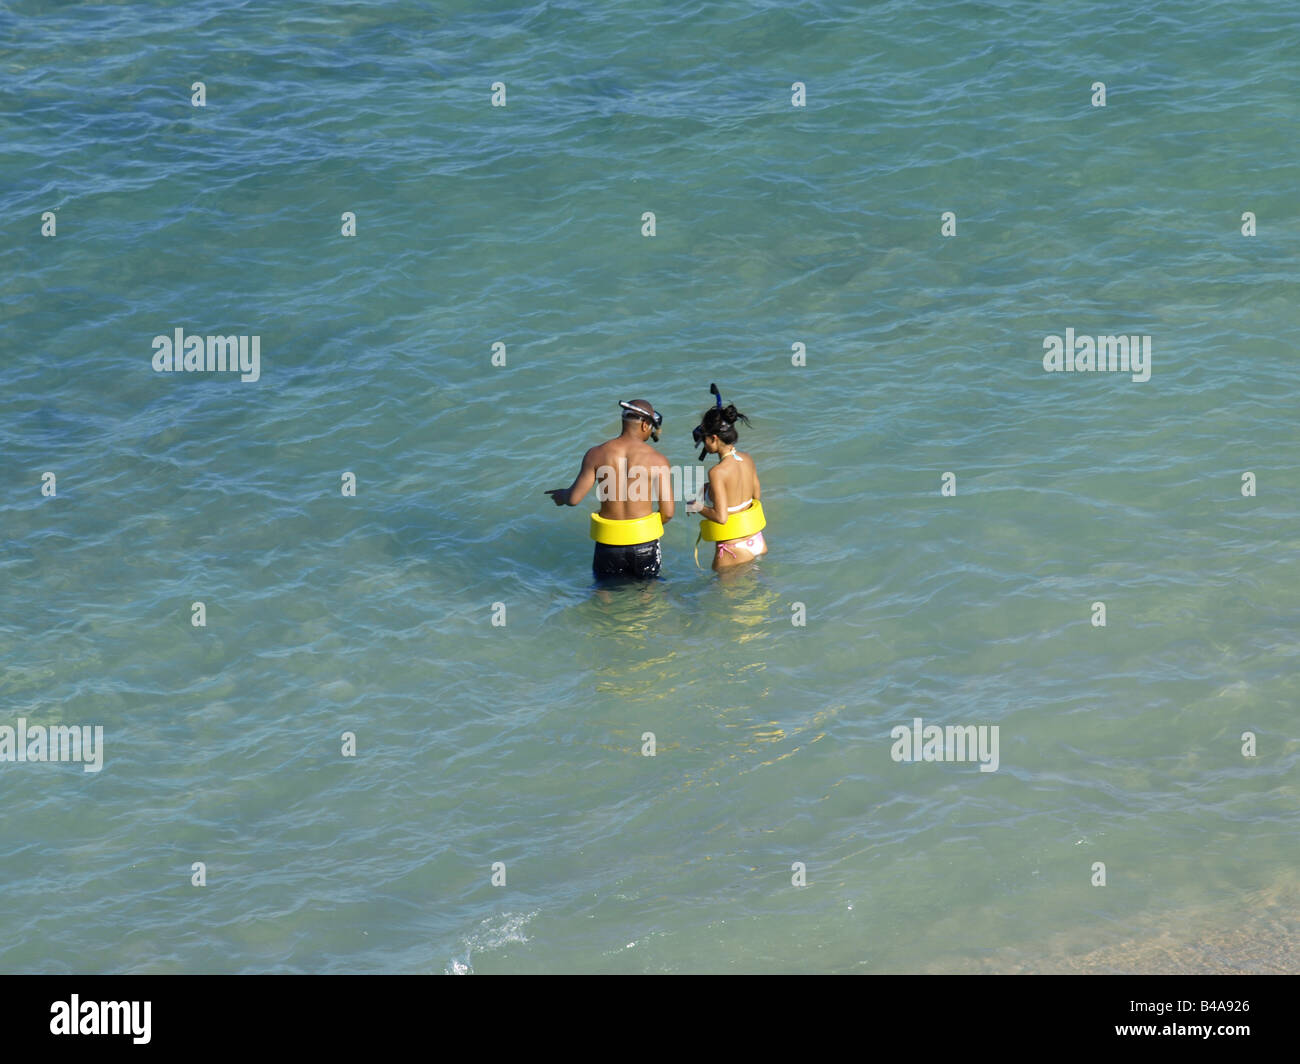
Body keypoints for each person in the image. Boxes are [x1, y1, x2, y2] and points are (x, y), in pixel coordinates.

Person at [545, 399, 675, 580]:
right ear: (645, 425)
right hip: (644, 544)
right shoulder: (658, 460)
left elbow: (574, 499)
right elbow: (668, 513)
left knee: (605, 596)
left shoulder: (596, 453)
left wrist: (562, 496)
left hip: (609, 544)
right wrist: (642, 528)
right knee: (648, 597)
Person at [686, 395, 767, 571]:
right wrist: (709, 488)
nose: (703, 444)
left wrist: (696, 506)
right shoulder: (747, 458)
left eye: (704, 439)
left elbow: (721, 518)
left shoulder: (717, 472)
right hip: (757, 541)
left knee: (720, 596)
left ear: (714, 438)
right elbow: (756, 497)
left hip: (732, 550)